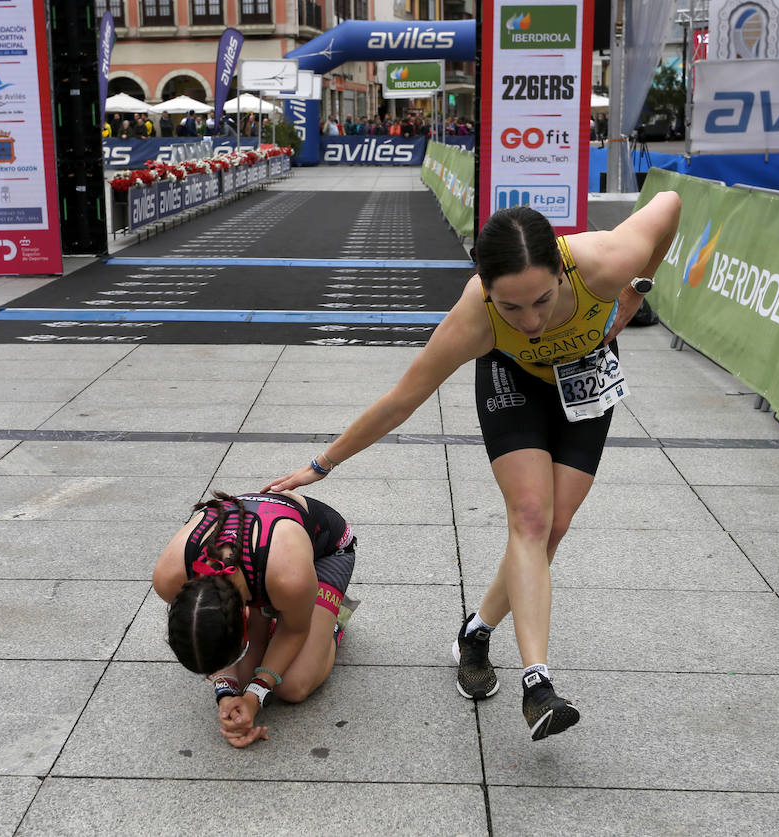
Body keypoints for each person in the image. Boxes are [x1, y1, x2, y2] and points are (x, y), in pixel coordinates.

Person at [265, 195, 682, 741]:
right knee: (531, 520)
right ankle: (539, 684)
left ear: (563, 270)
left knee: (555, 528)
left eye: (541, 299)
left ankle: (476, 632)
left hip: (584, 378)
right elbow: (400, 400)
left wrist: (637, 290)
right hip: (515, 384)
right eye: (511, 307)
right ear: (486, 290)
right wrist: (319, 466)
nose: (530, 321)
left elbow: (670, 206)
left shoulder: (604, 260)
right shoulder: (473, 319)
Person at [153, 490, 360, 749]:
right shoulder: (168, 578)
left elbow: (293, 631)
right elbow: (205, 634)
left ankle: (332, 616)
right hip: (259, 570)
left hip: (325, 553)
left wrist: (256, 694)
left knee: (293, 686)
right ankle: (279, 611)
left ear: (246, 614)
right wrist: (226, 691)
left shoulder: (289, 579)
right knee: (247, 674)